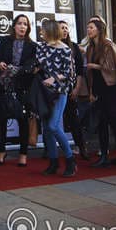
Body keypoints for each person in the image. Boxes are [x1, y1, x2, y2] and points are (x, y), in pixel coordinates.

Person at [84, 17, 116, 167]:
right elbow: (90, 74)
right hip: (98, 88)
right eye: (88, 27)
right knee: (101, 123)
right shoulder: (91, 47)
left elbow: (114, 68)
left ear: (99, 29)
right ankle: (104, 155)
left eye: (91, 27)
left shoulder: (108, 45)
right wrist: (91, 91)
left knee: (115, 121)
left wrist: (95, 66)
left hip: (111, 88)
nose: (89, 30)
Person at [0, 14, 36, 167]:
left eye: (25, 24)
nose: (22, 26)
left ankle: (23, 153)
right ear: (14, 26)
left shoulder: (32, 46)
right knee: (2, 119)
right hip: (4, 85)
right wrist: (1, 64)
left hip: (22, 87)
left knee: (22, 120)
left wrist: (19, 70)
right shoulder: (5, 41)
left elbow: (31, 66)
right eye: (20, 23)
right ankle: (1, 151)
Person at [37, 19, 77, 178]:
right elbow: (39, 66)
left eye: (43, 30)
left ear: (50, 31)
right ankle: (53, 162)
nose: (41, 33)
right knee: (46, 128)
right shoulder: (41, 47)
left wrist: (54, 78)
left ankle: (70, 159)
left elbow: (70, 74)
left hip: (60, 91)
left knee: (53, 126)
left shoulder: (66, 50)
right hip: (44, 92)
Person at [59, 20, 89, 160]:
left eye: (66, 28)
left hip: (71, 88)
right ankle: (50, 149)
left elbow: (80, 70)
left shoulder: (74, 47)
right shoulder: (50, 46)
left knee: (73, 119)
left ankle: (81, 146)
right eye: (61, 28)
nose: (65, 30)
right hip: (55, 90)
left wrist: (77, 87)